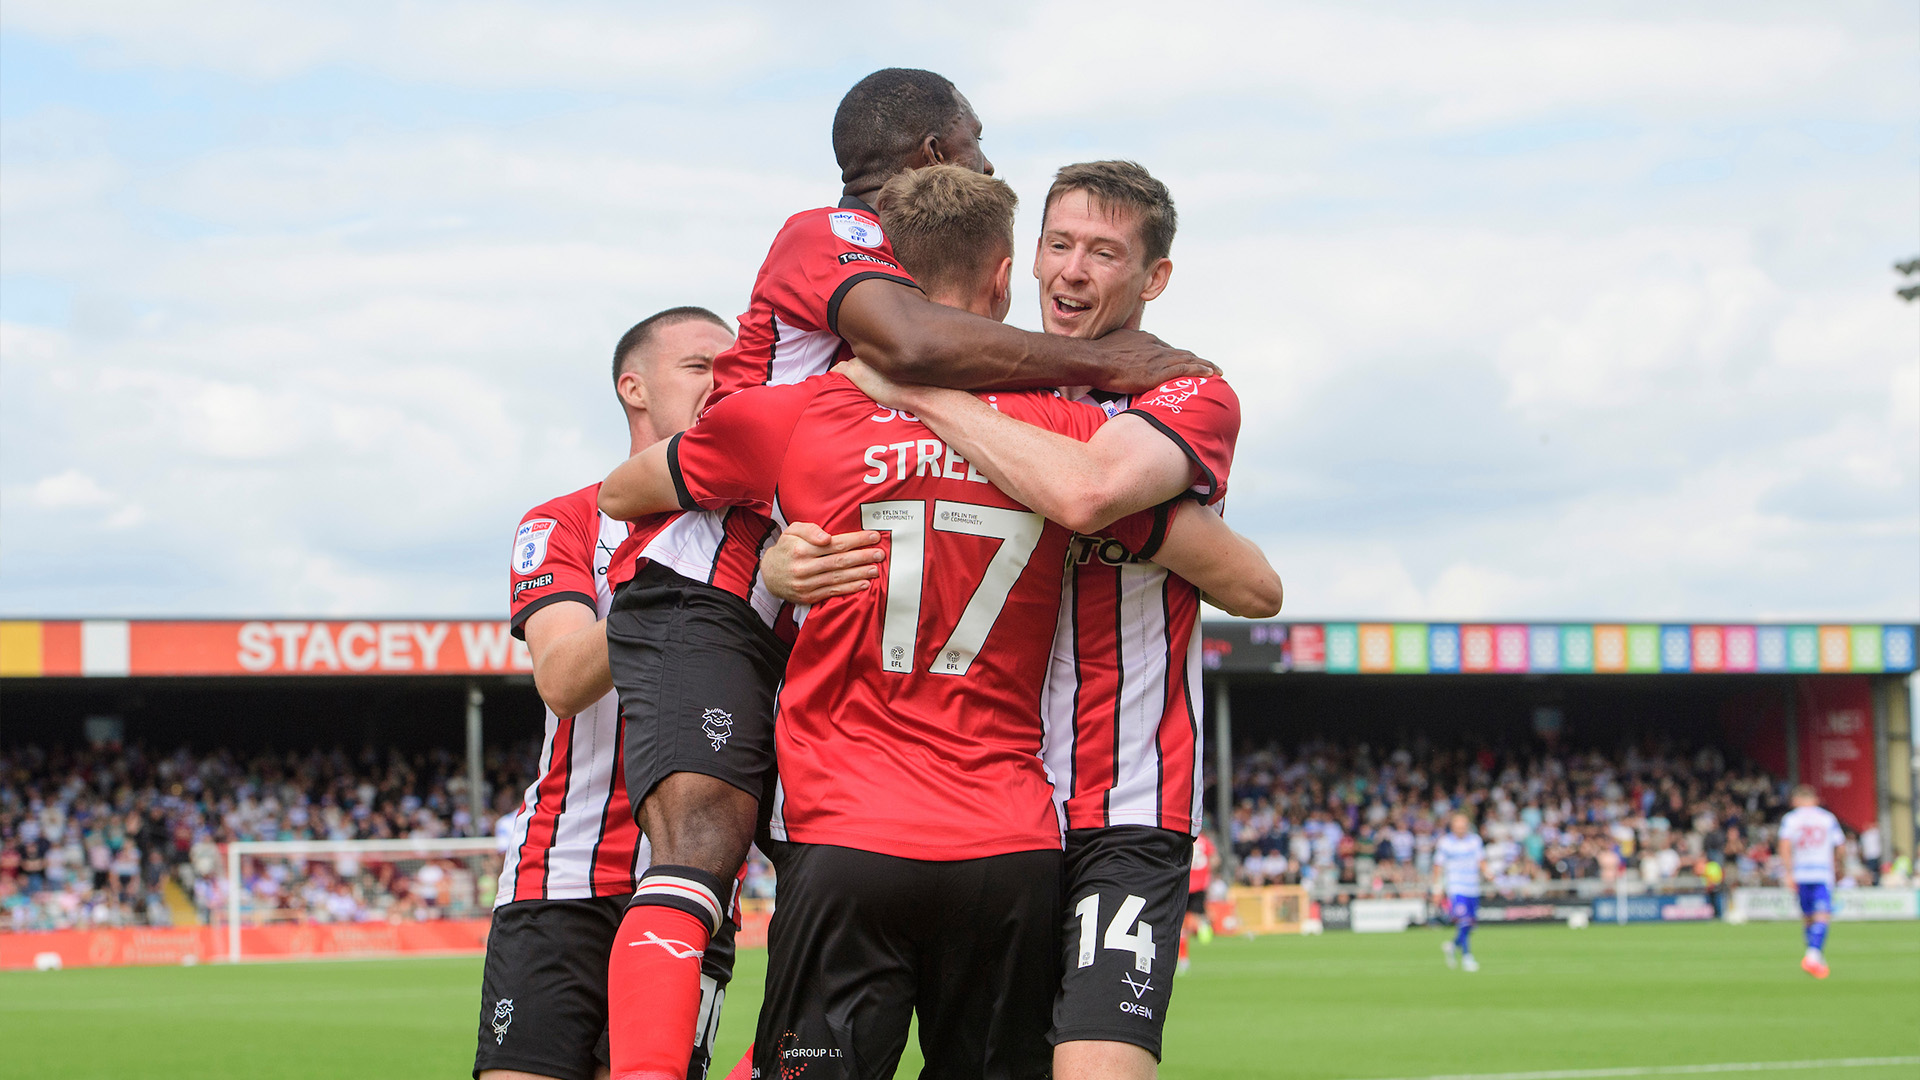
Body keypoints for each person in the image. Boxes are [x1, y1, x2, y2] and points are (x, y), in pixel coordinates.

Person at [599, 69, 1217, 1080]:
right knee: (705, 836)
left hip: (851, 738)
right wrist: (1113, 368)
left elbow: (632, 484)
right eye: (979, 146)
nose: (988, 161)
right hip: (730, 585)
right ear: (935, 157)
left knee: (779, 876)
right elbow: (914, 339)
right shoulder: (839, 248)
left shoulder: (859, 410)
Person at [835, 160, 1273, 1080]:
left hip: (1127, 803)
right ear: (1026, 257)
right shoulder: (989, 387)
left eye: (1104, 253)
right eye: (1059, 244)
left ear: (1152, 279)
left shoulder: (1185, 391)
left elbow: (1090, 489)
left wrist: (917, 391)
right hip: (986, 808)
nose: (1073, 270)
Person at [476, 308, 736, 1080]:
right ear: (635, 387)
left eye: (733, 368)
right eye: (698, 366)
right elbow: (561, 680)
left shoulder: (761, 531)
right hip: (561, 878)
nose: (721, 383)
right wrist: (680, 570)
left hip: (692, 884)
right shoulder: (562, 521)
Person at [1778, 784, 1845, 979]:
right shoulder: (1826, 818)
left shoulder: (1791, 819)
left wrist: (1789, 871)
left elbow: (1784, 845)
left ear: (1796, 800)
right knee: (1822, 914)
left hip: (1800, 872)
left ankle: (1814, 956)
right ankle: (1813, 954)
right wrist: (1839, 866)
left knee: (1807, 916)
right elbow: (1840, 846)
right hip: (1822, 872)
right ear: (1814, 799)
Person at [1432, 811, 1485, 973]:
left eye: (1463, 826)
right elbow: (1438, 866)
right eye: (1458, 826)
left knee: (1470, 925)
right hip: (1456, 887)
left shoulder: (1475, 841)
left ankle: (1453, 945)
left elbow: (1481, 861)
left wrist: (1489, 873)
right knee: (1464, 920)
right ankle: (1467, 957)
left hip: (1473, 887)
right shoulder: (1445, 843)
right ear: (1453, 827)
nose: (1461, 829)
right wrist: (1437, 888)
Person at [1181, 830, 1220, 974]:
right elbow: (1215, 859)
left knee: (1183, 923)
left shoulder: (1185, 840)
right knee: (1197, 916)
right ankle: (1203, 929)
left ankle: (1184, 957)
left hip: (1186, 883)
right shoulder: (1205, 841)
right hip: (1201, 884)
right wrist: (1210, 871)